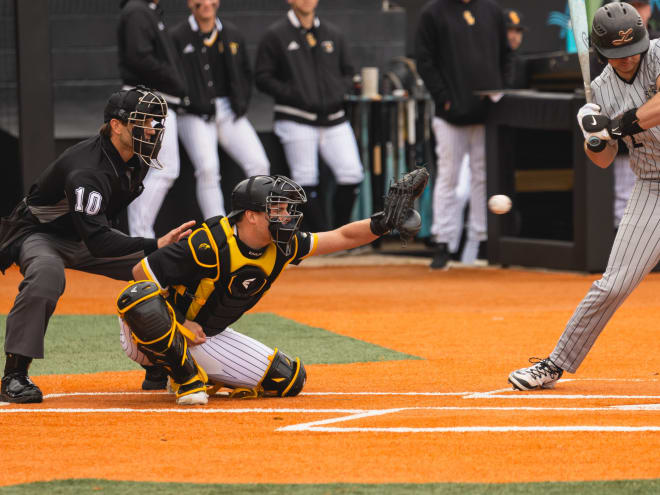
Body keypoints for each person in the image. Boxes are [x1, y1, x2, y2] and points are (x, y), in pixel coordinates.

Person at [117, 170, 428, 405]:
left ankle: (178, 367)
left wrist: (383, 223)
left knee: (288, 379)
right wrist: (181, 324)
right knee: (138, 297)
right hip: (150, 333)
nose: (287, 216)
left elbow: (342, 237)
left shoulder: (282, 245)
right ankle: (181, 377)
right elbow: (140, 273)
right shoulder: (209, 243)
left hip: (204, 336)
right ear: (251, 216)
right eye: (278, 209)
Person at [0, 88, 195, 403]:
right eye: (143, 121)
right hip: (41, 234)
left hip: (87, 233)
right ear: (117, 126)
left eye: (156, 122)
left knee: (166, 265)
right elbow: (99, 240)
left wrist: (157, 252)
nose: (153, 129)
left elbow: (97, 230)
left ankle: (159, 360)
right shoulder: (86, 169)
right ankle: (14, 375)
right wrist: (153, 242)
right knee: (47, 275)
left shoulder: (136, 158)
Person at [509, 2, 660, 390]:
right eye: (617, 54)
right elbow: (605, 160)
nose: (627, 60)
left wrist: (617, 124)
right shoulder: (601, 90)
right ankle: (555, 363)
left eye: (631, 51)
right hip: (653, 186)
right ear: (602, 51)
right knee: (613, 284)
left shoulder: (659, 54)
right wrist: (594, 135)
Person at [415, 0, 510, 269]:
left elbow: (507, 55)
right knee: (449, 177)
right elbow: (424, 60)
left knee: (482, 176)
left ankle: (480, 241)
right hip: (449, 117)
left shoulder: (492, 11)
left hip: (486, 113)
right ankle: (443, 241)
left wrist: (499, 91)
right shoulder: (432, 12)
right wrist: (444, 98)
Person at [255, 0, 364, 232]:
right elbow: (262, 77)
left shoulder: (333, 33)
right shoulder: (275, 35)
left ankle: (340, 232)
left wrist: (337, 93)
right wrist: (294, 94)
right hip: (296, 118)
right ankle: (320, 235)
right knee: (305, 178)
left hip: (334, 118)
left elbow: (348, 73)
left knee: (352, 173)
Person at [169, 0, 270, 219]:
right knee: (207, 168)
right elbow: (171, 77)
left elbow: (245, 72)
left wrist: (241, 102)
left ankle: (257, 223)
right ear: (189, 3)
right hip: (194, 114)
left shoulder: (232, 32)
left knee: (259, 163)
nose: (206, 3)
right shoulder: (177, 36)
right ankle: (218, 232)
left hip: (228, 110)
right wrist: (188, 101)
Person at [117, 0, 188, 238]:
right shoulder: (137, 10)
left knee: (152, 169)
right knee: (164, 168)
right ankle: (140, 237)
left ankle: (140, 237)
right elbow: (139, 58)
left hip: (152, 100)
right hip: (147, 100)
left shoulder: (147, 11)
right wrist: (176, 81)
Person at [504, 8, 529, 89]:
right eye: (510, 30)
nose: (514, 37)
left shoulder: (523, 63)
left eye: (518, 31)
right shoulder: (491, 61)